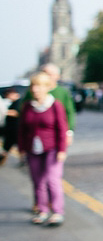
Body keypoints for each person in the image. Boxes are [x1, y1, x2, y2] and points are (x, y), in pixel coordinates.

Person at [18, 71, 68, 226]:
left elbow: (62, 127)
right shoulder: (27, 107)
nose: (35, 89)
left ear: (47, 88)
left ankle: (58, 211)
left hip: (52, 148)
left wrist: (62, 150)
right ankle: (42, 210)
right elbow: (21, 129)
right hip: (33, 148)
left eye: (39, 86)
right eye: (33, 86)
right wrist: (21, 148)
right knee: (38, 181)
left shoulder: (55, 105)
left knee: (52, 180)